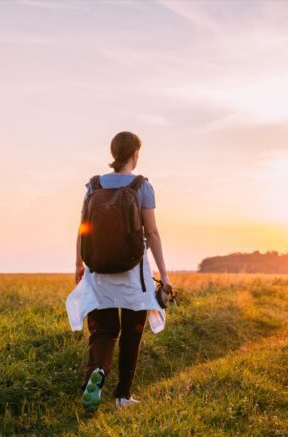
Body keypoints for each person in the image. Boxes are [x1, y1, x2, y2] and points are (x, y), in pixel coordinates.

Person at [65, 131, 172, 412]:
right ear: (135, 154)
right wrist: (165, 274)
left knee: (103, 332)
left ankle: (96, 373)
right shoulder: (141, 186)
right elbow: (153, 232)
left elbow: (82, 229)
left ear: (114, 154)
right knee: (131, 334)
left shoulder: (94, 185)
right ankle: (123, 395)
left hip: (98, 272)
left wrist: (78, 264)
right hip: (133, 274)